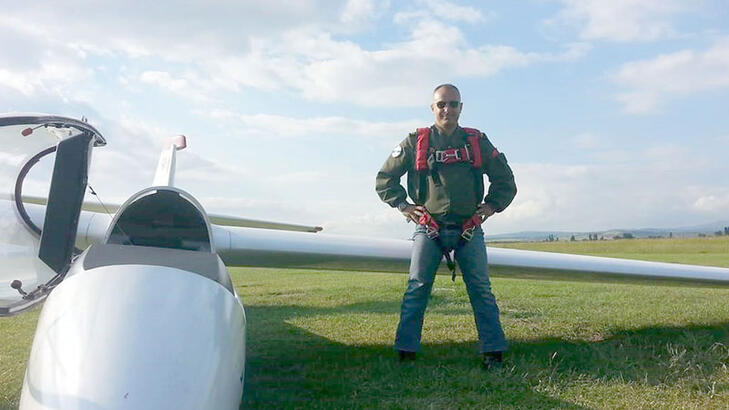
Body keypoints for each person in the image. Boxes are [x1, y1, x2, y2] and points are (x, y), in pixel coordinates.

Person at [375, 83, 517, 369]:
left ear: (460, 108)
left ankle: (493, 352)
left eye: (453, 104)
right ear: (433, 108)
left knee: (481, 289)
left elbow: (505, 180)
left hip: (469, 229)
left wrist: (492, 205)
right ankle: (406, 352)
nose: (447, 109)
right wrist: (403, 206)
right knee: (417, 287)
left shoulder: (477, 141)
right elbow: (384, 180)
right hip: (429, 228)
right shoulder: (415, 141)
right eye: (441, 104)